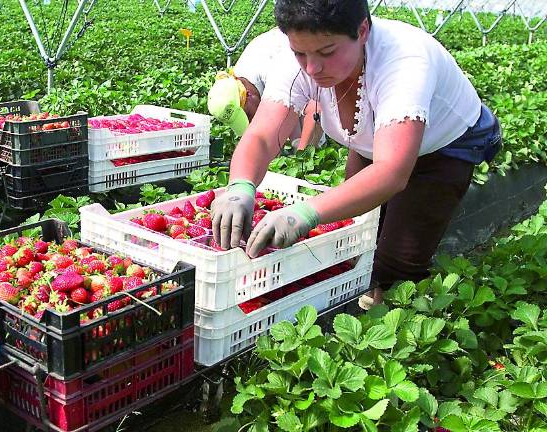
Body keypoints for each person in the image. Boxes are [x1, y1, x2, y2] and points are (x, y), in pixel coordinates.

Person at [211, 0, 501, 309]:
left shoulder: (404, 62)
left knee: (398, 258)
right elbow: (262, 135)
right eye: (300, 53)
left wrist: (305, 212)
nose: (312, 68)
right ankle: (357, 303)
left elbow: (390, 172)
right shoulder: (294, 61)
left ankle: (395, 320)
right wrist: (240, 187)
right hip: (372, 141)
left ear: (362, 30)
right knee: (358, 234)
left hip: (444, 148)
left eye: (326, 52)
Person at [207, 27, 324, 151]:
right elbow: (285, 104)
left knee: (313, 137)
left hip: (320, 48)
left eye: (248, 114)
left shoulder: (279, 72)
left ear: (249, 94)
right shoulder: (238, 76)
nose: (250, 121)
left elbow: (316, 108)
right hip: (291, 63)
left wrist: (304, 153)